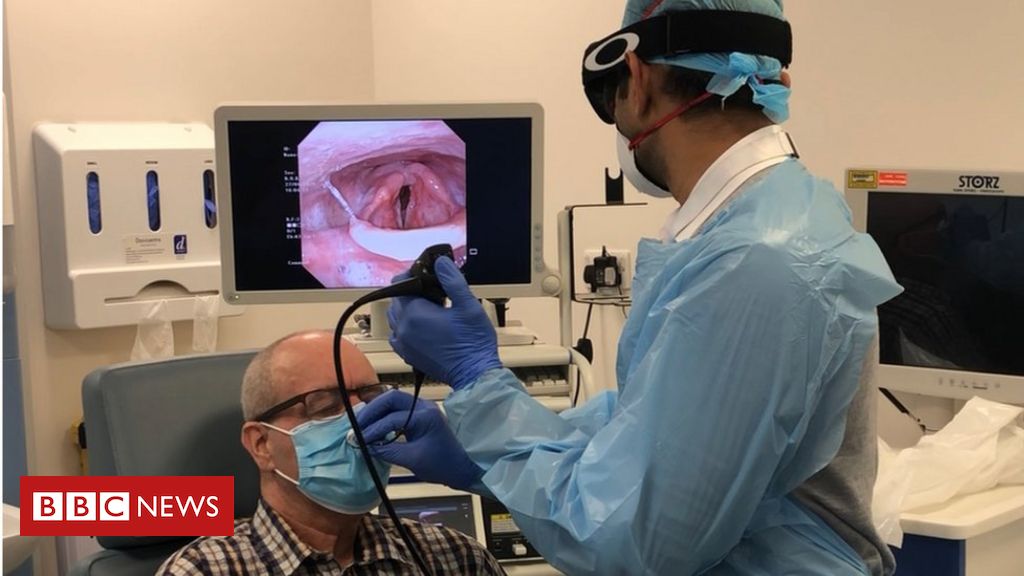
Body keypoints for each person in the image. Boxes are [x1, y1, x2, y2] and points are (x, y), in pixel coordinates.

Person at [359, 1, 903, 574]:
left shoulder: (753, 262)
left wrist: (478, 382)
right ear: (775, 83)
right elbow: (644, 435)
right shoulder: (772, 218)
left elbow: (635, 541)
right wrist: (480, 455)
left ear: (636, 80)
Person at [157, 330, 504, 575]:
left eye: (371, 399)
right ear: (261, 445)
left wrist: (482, 476)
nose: (360, 421)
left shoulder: (456, 559)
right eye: (324, 405)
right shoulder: (204, 570)